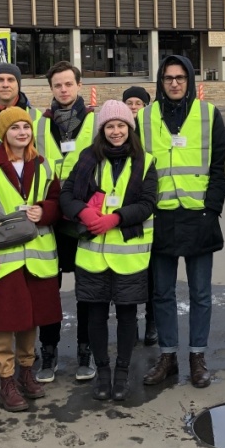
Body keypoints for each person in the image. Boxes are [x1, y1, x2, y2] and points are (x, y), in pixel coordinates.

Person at [60, 100, 158, 402]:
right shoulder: (87, 158)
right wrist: (83, 214)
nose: (116, 131)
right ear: (102, 130)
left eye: (121, 126)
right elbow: (66, 194)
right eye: (110, 126)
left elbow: (148, 203)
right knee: (96, 317)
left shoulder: (145, 161)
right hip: (92, 254)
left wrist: (116, 218)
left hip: (129, 255)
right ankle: (103, 373)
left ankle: (122, 373)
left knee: (128, 318)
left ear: (130, 128)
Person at [0, 107, 63, 412]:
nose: (22, 132)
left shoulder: (43, 165)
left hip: (36, 258)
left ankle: (26, 372)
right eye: (14, 128)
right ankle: (6, 381)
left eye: (25, 127)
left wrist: (44, 211)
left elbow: (58, 202)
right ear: (4, 133)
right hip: (3, 260)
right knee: (2, 324)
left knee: (29, 320)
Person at [140, 56, 225, 389]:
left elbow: (220, 164)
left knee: (201, 293)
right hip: (160, 216)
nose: (174, 83)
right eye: (167, 78)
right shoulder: (144, 118)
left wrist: (212, 208)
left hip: (198, 216)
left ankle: (197, 356)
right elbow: (139, 168)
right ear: (160, 83)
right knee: (162, 293)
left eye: (180, 78)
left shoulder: (208, 114)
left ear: (189, 81)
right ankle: (168, 356)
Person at [38, 61, 97, 382]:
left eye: (68, 84)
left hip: (83, 217)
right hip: (50, 220)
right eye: (57, 85)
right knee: (49, 291)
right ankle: (48, 354)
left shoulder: (94, 121)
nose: (63, 90)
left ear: (78, 85)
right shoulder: (40, 124)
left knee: (86, 290)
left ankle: (85, 352)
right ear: (51, 89)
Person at [123, 84, 157, 346]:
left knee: (152, 274)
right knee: (131, 275)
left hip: (149, 209)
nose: (134, 107)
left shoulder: (152, 128)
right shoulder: (119, 130)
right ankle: (131, 322)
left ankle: (152, 322)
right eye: (129, 102)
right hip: (127, 212)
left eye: (138, 103)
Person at [0, 63, 57, 161]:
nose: (5, 85)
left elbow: (48, 155)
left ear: (18, 85)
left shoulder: (38, 117)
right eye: (0, 80)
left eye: (11, 80)